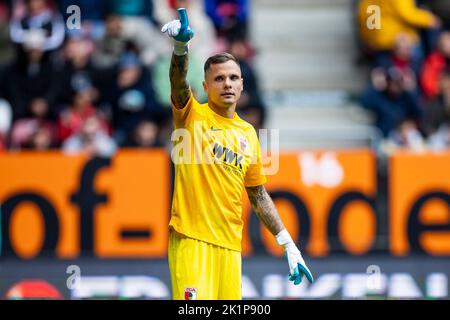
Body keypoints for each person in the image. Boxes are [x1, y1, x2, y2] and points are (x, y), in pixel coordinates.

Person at [161, 8, 313, 300]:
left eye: (233, 78)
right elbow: (178, 84)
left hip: (231, 247)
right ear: (206, 86)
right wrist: (180, 49)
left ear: (242, 85)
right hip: (192, 240)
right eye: (219, 79)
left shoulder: (248, 134)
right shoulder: (192, 116)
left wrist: (287, 243)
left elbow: (258, 195)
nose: (227, 83)